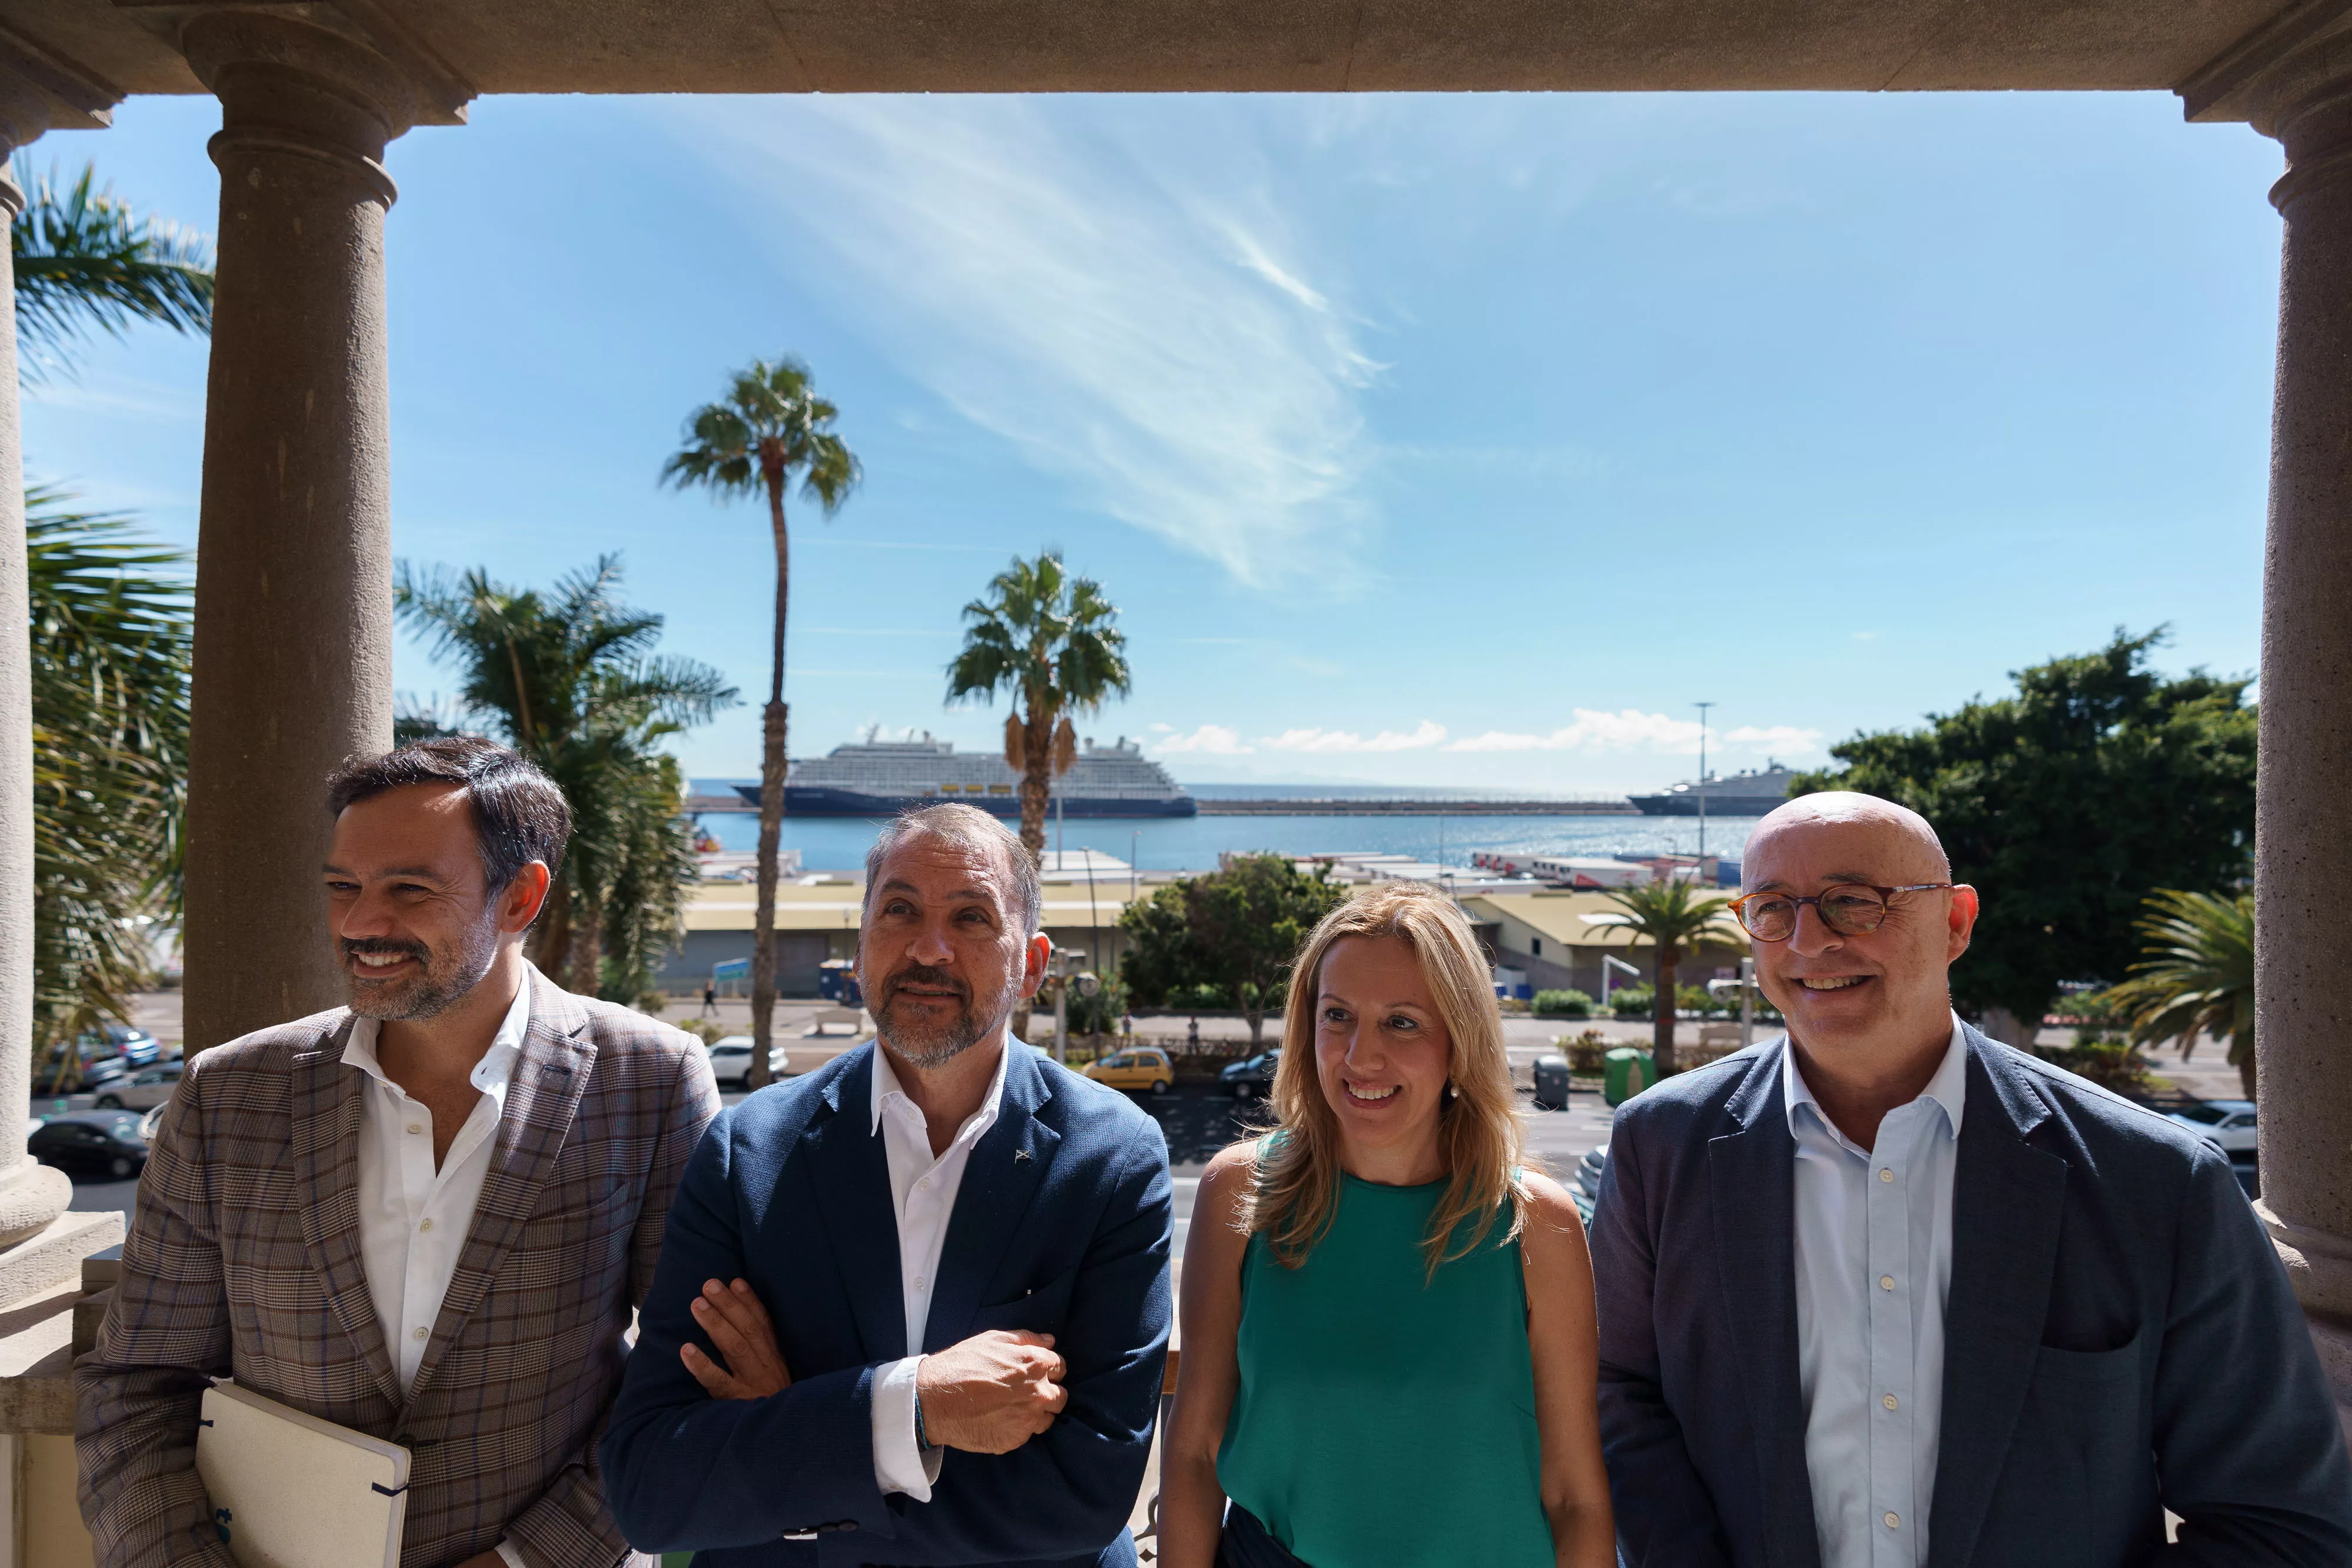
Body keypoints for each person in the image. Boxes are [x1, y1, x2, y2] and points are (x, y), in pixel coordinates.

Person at [1592, 791, 2352, 1567]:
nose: (1808, 941)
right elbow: (1618, 1389)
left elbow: (2281, 1521)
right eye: (1772, 907)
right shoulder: (1660, 1146)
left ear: (1955, 922)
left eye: (1854, 901)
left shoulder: (2156, 1179)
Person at [76, 737, 721, 1568]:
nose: (360, 924)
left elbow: (689, 1371)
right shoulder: (227, 1092)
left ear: (520, 897)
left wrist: (523, 1562)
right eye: (342, 887)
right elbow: (137, 1385)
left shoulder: (650, 1077)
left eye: (408, 890)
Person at [599, 802, 1174, 1564]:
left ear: (1032, 966)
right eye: (900, 910)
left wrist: (796, 1425)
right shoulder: (747, 1153)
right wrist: (920, 1406)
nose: (928, 949)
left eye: (971, 917)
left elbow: (1085, 1495)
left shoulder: (1114, 1156)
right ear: (862, 942)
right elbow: (650, 1485)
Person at [1161, 882, 1615, 1568]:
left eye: (1401, 1023)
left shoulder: (1536, 1225)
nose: (1359, 1057)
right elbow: (1195, 1452)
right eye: (1337, 1016)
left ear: (1458, 1042)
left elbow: (1575, 1498)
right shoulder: (1241, 1193)